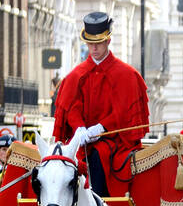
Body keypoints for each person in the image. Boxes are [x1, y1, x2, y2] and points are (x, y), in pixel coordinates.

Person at [51, 12, 149, 195]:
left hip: (114, 141)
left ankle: (102, 202)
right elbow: (73, 106)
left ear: (108, 41)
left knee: (98, 155)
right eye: (90, 44)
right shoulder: (76, 75)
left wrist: (101, 127)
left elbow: (123, 113)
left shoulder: (126, 75)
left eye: (98, 44)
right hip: (81, 142)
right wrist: (79, 127)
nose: (94, 49)